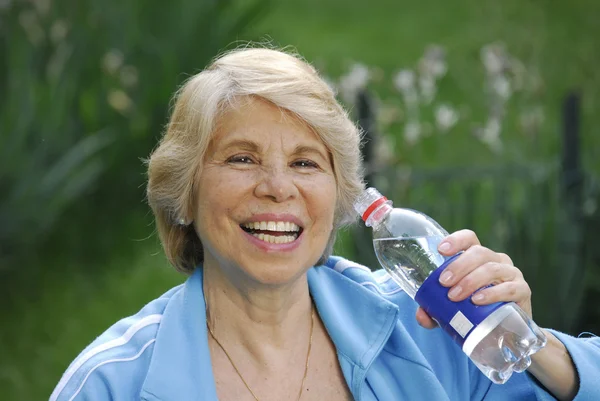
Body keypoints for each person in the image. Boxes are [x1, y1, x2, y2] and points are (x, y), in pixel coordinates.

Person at [50, 47, 600, 401]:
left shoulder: (429, 327)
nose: (277, 187)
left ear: (340, 197)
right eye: (241, 158)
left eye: (306, 163)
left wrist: (534, 345)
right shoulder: (111, 383)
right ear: (185, 195)